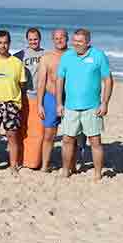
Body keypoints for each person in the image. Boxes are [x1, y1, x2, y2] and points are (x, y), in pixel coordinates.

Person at [55, 28, 112, 181]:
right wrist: (59, 103)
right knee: (67, 140)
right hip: (70, 107)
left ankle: (98, 173)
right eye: (74, 41)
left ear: (88, 42)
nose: (76, 44)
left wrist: (105, 103)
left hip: (92, 107)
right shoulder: (67, 56)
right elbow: (59, 80)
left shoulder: (98, 55)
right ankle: (66, 170)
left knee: (95, 141)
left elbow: (108, 80)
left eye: (80, 41)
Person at [0, 30, 26, 176]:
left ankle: (13, 166)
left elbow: (21, 85)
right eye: (0, 43)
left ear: (9, 43)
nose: (3, 46)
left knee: (12, 137)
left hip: (11, 103)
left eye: (5, 43)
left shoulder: (17, 63)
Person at [36, 28, 68, 172]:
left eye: (62, 37)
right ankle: (45, 165)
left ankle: (70, 165)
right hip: (50, 98)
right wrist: (39, 104)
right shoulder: (47, 57)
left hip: (70, 99)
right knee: (49, 134)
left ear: (67, 38)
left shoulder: (74, 56)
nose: (59, 40)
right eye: (56, 38)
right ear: (52, 40)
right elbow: (41, 82)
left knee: (71, 135)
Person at [15, 28, 45, 169]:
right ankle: (20, 159)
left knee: (38, 131)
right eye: (31, 39)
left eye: (36, 39)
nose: (33, 41)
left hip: (40, 97)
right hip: (24, 96)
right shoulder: (20, 55)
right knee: (23, 129)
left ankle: (33, 162)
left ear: (40, 39)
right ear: (27, 40)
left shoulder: (46, 54)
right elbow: (6, 60)